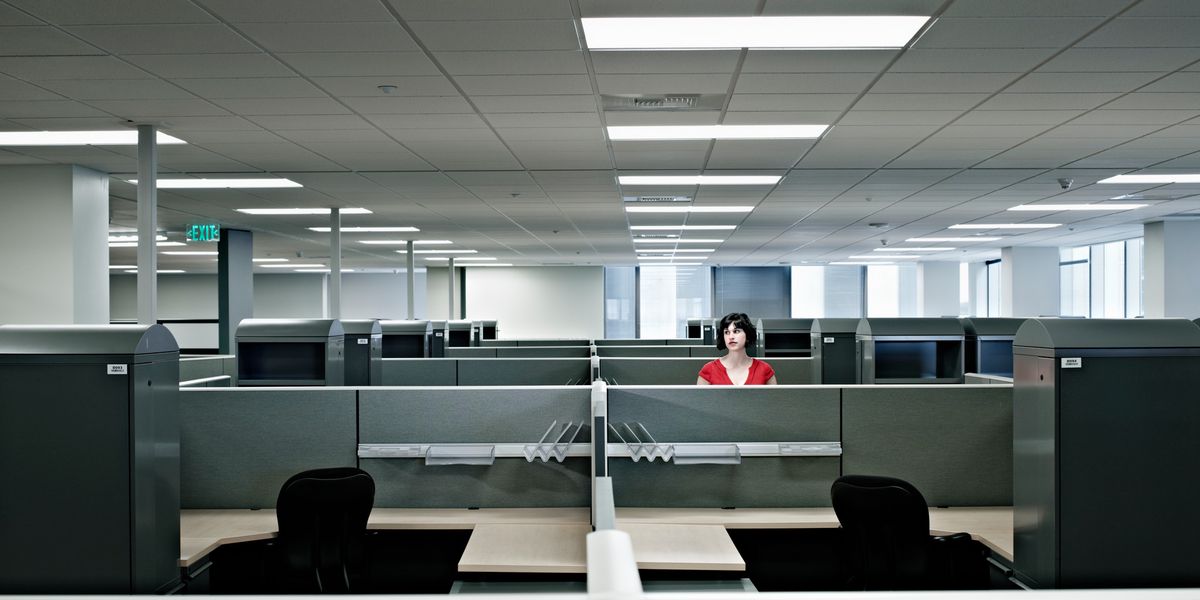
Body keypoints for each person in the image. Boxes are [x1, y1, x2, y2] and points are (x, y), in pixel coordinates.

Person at [696, 312, 778, 385]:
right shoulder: (709, 370)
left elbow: (774, 401)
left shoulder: (764, 369)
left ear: (747, 335)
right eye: (727, 332)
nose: (731, 337)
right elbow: (699, 401)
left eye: (736, 331)